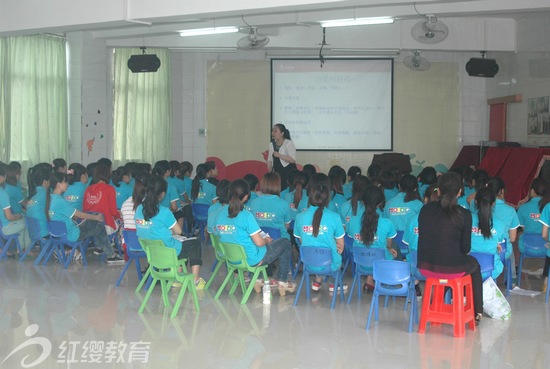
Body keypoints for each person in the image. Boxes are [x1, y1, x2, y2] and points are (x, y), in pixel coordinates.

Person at [417, 172, 483, 324]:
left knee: (448, 261)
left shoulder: (425, 210)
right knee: (474, 265)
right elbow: (465, 249)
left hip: (425, 266)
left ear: (438, 190)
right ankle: (477, 312)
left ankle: (437, 303)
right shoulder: (464, 214)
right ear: (460, 192)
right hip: (450, 268)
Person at [214, 179, 295, 295]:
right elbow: (259, 243)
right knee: (285, 243)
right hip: (251, 259)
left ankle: (258, 279)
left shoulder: (221, 214)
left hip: (232, 259)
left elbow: (222, 234)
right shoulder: (246, 216)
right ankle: (282, 281)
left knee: (259, 248)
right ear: (246, 197)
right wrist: (266, 240)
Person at [135, 175, 206, 289]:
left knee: (179, 243)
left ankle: (177, 278)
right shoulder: (164, 211)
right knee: (194, 243)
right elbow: (178, 231)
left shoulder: (139, 209)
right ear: (162, 194)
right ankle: (195, 280)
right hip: (169, 251)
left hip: (152, 253)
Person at [46, 172, 124, 264]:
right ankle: (110, 255)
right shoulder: (59, 201)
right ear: (59, 184)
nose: (67, 184)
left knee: (96, 224)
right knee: (99, 223)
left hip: (56, 233)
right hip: (72, 234)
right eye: (65, 182)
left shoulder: (50, 198)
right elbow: (80, 215)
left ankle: (101, 249)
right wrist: (96, 217)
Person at [294, 173, 345, 292]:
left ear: (310, 196)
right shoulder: (335, 217)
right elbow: (340, 247)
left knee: (319, 251)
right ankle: (333, 283)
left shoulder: (300, 217)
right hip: (330, 264)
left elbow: (301, 240)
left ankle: (318, 281)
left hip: (309, 262)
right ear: (328, 198)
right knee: (332, 254)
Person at [347, 185, 398, 291]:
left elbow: (353, 238)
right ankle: (387, 281)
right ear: (380, 203)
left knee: (369, 248)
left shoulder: (352, 220)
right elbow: (388, 244)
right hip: (380, 265)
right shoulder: (386, 223)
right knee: (393, 250)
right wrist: (389, 248)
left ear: (362, 202)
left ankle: (369, 281)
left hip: (361, 264)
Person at [249, 173, 292, 286]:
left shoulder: (254, 203)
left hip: (258, 241)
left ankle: (259, 276)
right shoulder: (283, 204)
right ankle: (282, 278)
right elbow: (287, 225)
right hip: (277, 240)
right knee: (286, 242)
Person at [470, 187, 506, 280]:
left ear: (476, 202)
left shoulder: (467, 219)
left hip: (468, 268)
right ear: (493, 204)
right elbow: (501, 243)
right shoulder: (500, 224)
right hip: (491, 269)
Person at [0, 163, 30, 254]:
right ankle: (26, 249)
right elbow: (9, 217)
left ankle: (20, 249)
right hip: (6, 227)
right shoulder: (3, 194)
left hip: (2, 225)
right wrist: (17, 217)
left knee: (22, 222)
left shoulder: (5, 190)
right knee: (27, 222)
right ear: (2, 177)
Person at [83, 163, 121, 235]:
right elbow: (113, 212)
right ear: (108, 175)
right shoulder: (110, 189)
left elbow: (85, 209)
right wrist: (120, 216)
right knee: (121, 223)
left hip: (88, 225)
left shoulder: (88, 189)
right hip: (105, 225)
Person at [25, 163, 53, 239]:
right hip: (44, 232)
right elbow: (49, 213)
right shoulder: (45, 192)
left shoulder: (32, 191)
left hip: (32, 232)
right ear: (45, 181)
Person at [266, 123, 297, 191]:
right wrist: (269, 165)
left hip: (288, 171)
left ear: (282, 133)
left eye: (275, 131)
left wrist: (280, 155)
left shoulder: (288, 143)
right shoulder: (271, 144)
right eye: (272, 131)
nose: (273, 133)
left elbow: (292, 160)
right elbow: (269, 159)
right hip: (277, 171)